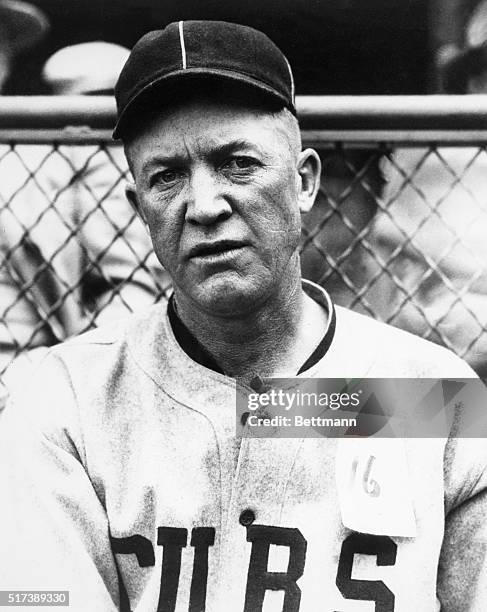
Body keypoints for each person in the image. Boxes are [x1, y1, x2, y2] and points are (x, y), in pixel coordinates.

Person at [1, 20, 487, 611]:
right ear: (137, 209)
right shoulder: (65, 399)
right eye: (166, 177)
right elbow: (41, 600)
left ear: (305, 182)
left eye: (237, 164)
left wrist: (280, 411)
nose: (203, 206)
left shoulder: (434, 393)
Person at [0, 41, 171, 386]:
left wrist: (69, 381)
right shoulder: (23, 157)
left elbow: (131, 289)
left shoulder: (75, 161)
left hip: (24, 381)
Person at [376, 0, 487, 377]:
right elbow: (388, 296)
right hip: (433, 366)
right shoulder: (427, 151)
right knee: (272, 410)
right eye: (482, 73)